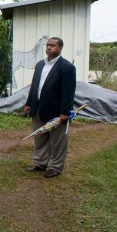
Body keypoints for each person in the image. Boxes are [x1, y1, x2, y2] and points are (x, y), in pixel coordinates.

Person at [23, 37, 76, 178]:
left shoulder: (67, 67)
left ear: (60, 48)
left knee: (57, 141)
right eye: (47, 45)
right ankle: (40, 163)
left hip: (57, 111)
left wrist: (65, 112)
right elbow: (34, 86)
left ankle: (55, 167)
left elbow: (68, 92)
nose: (48, 47)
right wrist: (29, 103)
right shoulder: (40, 65)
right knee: (40, 137)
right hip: (38, 107)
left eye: (52, 45)